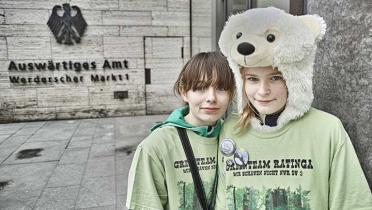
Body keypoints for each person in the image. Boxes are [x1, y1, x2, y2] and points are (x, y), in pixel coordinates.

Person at [216, 8, 372, 210]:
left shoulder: (328, 130)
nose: (263, 91)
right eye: (253, 79)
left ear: (294, 79)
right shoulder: (231, 129)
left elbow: (353, 203)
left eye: (275, 78)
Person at [126, 51, 235, 210]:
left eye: (221, 88)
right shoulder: (156, 146)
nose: (211, 97)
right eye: (200, 87)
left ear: (231, 93)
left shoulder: (234, 138)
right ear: (184, 92)